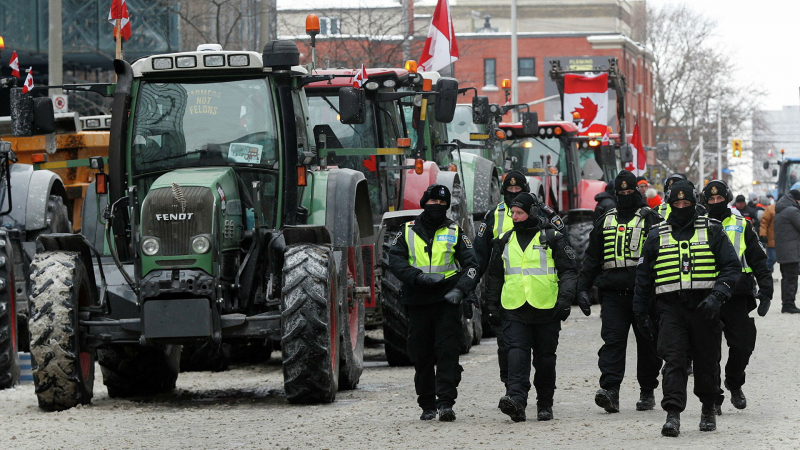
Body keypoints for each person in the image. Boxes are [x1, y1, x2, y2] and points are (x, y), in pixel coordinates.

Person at [633, 180, 741, 437]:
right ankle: (672, 414)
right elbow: (643, 277)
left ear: (694, 203)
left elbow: (731, 267)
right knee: (673, 360)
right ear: (670, 204)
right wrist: (640, 312)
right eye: (676, 203)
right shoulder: (656, 234)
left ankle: (707, 408)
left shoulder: (713, 230)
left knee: (706, 361)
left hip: (705, 308)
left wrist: (717, 296)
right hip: (670, 308)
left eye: (686, 203)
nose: (681, 207)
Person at [388, 184, 480, 421]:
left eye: (442, 204)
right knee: (422, 356)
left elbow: (472, 265)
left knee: (448, 353)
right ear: (423, 203)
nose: (437, 207)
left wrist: (460, 290)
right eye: (433, 203)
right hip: (417, 301)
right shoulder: (406, 231)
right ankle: (427, 405)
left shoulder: (455, 231)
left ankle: (446, 403)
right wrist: (417, 277)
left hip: (446, 301)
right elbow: (396, 261)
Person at [485, 192, 577, 422]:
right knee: (515, 355)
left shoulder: (552, 238)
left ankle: (545, 404)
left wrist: (565, 301)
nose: (515, 217)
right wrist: (492, 306)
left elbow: (569, 271)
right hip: (514, 309)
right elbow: (495, 277)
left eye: (519, 213)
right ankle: (516, 400)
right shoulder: (504, 240)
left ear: (532, 212)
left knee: (545, 360)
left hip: (546, 309)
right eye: (513, 213)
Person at [578, 170, 663, 413]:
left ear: (638, 192)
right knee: (612, 342)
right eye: (621, 193)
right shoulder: (605, 220)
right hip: (613, 294)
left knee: (648, 343)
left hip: (645, 294)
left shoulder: (651, 219)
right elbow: (592, 258)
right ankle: (610, 390)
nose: (625, 196)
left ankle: (647, 390)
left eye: (630, 192)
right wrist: (583, 288)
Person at [474, 170, 565, 394]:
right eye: (509, 190)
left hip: (541, 295)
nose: (513, 193)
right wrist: (473, 291)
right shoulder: (493, 215)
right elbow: (480, 258)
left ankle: (541, 396)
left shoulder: (545, 213)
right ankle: (511, 388)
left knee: (542, 353)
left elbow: (564, 253)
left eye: (518, 190)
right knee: (508, 347)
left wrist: (568, 294)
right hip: (508, 293)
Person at [702, 180, 773, 414]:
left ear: (728, 198)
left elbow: (758, 260)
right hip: (706, 294)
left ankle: (734, 383)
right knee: (709, 350)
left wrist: (766, 291)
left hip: (738, 295)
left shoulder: (743, 224)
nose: (715, 202)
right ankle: (714, 397)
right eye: (711, 200)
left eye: (719, 199)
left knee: (743, 345)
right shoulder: (698, 226)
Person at [774, 190, 800, 314]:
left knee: (787, 278)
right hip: (791, 251)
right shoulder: (792, 211)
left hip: (784, 250)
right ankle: (789, 304)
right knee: (791, 278)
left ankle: (787, 303)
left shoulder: (782, 210)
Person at [759, 198, 777, 274]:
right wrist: (763, 234)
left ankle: (767, 271)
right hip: (770, 239)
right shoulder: (770, 209)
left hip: (781, 239)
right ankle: (764, 272)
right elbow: (764, 222)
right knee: (772, 258)